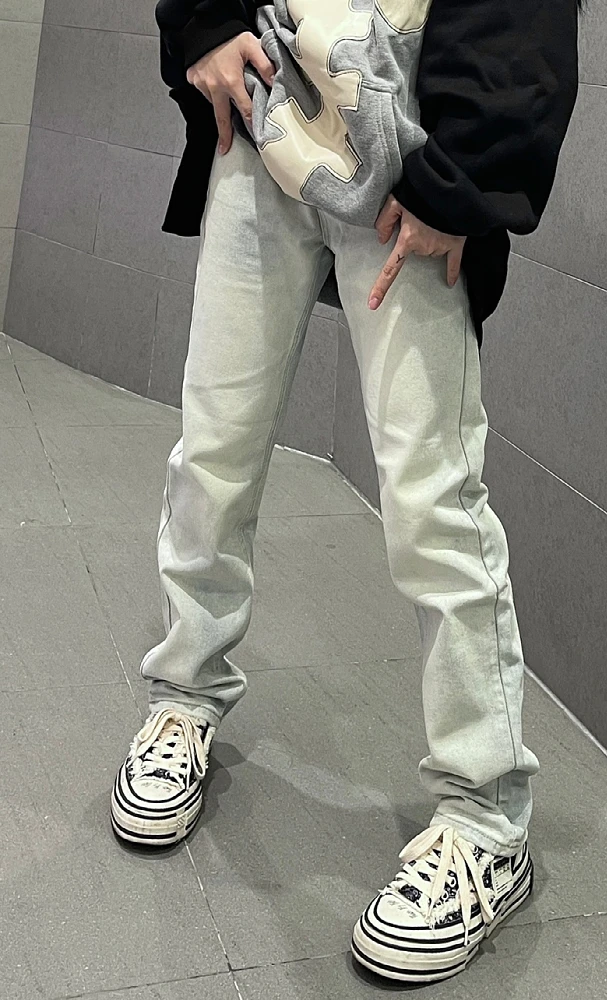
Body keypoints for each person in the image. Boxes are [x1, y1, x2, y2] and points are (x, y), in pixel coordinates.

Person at [110, 0, 579, 984]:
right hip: (266, 115)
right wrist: (203, 24)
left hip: (411, 144)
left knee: (432, 498)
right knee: (213, 448)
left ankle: (488, 819)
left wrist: (469, 173)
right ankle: (184, 693)